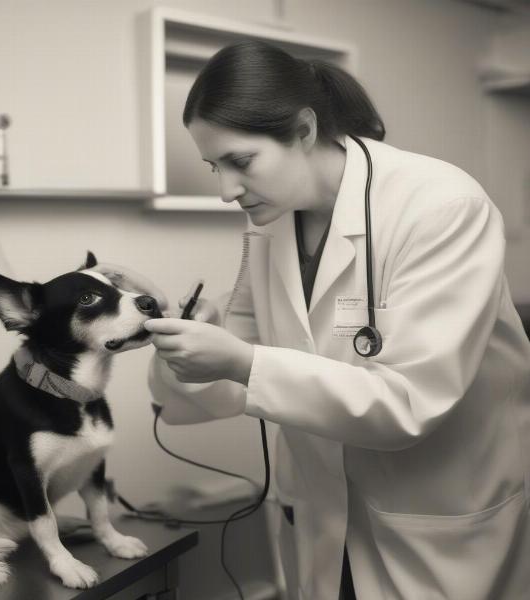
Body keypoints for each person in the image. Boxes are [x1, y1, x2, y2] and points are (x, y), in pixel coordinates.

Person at [119, 40, 530, 600]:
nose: (225, 191)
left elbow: (408, 404)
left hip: (438, 515)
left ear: (305, 130)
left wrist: (241, 360)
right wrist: (188, 348)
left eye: (241, 161)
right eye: (215, 167)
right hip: (322, 514)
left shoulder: (442, 206)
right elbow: (225, 382)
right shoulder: (268, 228)